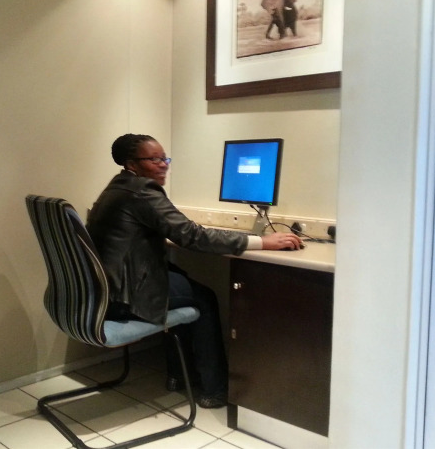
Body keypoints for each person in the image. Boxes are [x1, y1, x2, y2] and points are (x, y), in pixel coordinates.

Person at [86, 134, 302, 408]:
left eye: (164, 158)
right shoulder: (142, 191)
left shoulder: (118, 187)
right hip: (126, 296)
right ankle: (214, 390)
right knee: (204, 298)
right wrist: (262, 242)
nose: (163, 164)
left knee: (185, 284)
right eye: (154, 159)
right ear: (131, 164)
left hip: (109, 290)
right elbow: (192, 236)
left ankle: (178, 376)